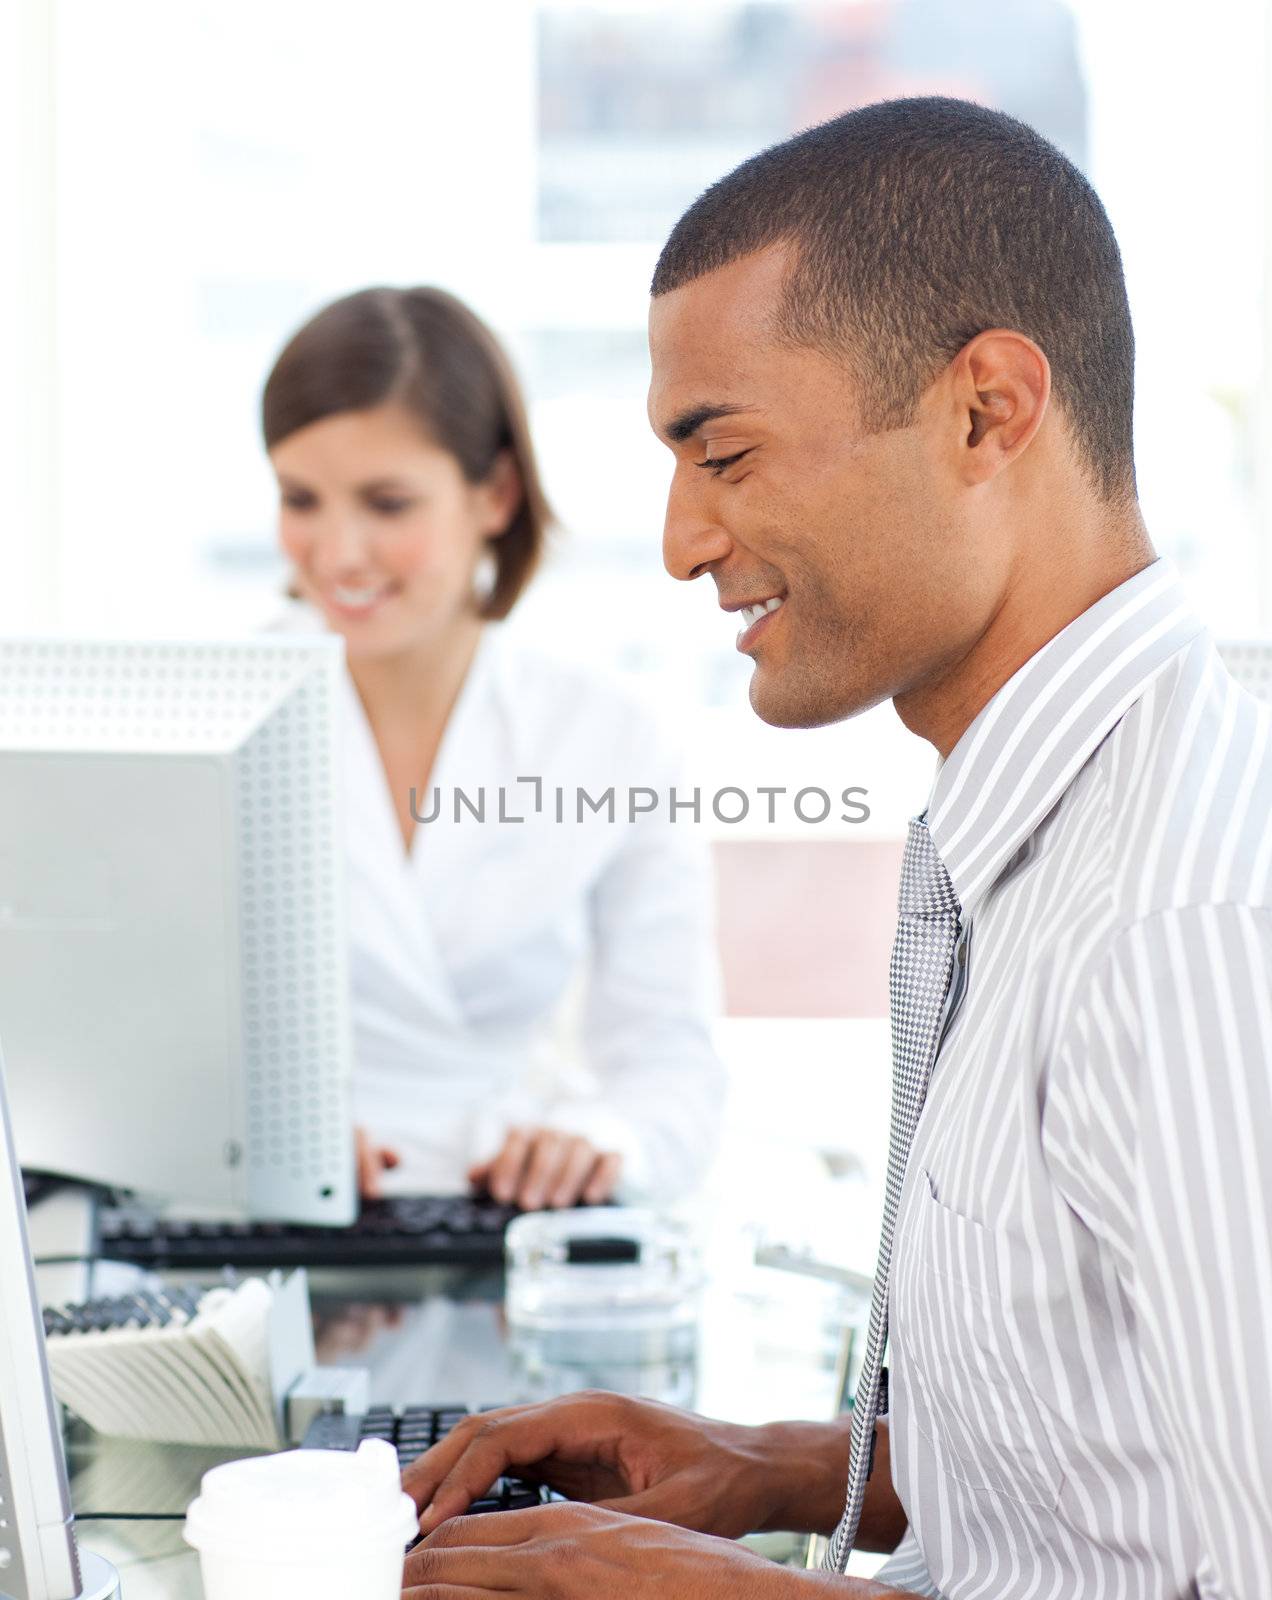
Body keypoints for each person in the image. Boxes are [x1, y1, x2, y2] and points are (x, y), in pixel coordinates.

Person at [397, 98, 1272, 1598]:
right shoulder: (1035, 821)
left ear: (988, 411)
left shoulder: (1183, 926)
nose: (680, 540)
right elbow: (1125, 1465)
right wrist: (786, 1471)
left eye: (723, 454)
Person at [263, 286, 724, 1209]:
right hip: (260, 1242)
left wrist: (596, 1142)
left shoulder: (606, 735)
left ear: (496, 494)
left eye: (388, 504)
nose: (339, 553)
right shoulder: (219, 715)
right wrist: (243, 1140)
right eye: (301, 499)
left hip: (506, 1233)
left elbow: (672, 1066)